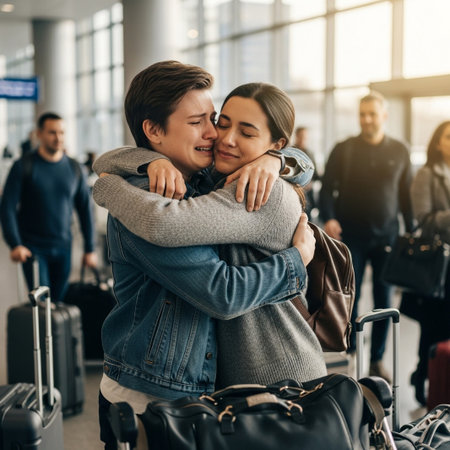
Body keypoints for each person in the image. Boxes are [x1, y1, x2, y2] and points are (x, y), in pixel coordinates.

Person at [92, 61, 320, 449]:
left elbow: (296, 161)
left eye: (215, 120)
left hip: (276, 378)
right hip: (149, 394)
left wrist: (282, 159)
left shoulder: (249, 187)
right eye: (201, 122)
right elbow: (220, 292)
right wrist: (295, 261)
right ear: (153, 130)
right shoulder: (149, 197)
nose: (217, 135)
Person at [319, 91, 414, 382]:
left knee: (384, 300)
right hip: (351, 237)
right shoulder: (344, 149)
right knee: (351, 296)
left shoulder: (399, 150)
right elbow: (326, 189)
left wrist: (410, 232)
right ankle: (351, 353)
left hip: (387, 236)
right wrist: (330, 217)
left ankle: (376, 360)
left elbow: (405, 195)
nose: (367, 120)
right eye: (362, 114)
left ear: (384, 116)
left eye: (372, 114)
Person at [0, 112, 98, 302]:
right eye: (52, 132)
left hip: (63, 247)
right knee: (42, 303)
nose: (58, 138)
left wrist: (90, 248)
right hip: (33, 248)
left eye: (61, 132)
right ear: (39, 134)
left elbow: (86, 210)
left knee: (58, 303)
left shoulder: (74, 168)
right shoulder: (24, 166)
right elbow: (8, 208)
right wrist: (15, 243)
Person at [409, 120, 450, 405]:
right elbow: (423, 219)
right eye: (448, 137)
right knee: (433, 327)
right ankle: (423, 375)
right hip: (438, 266)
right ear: (438, 142)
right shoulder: (427, 175)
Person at [294, 126, 320, 216]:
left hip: (308, 195)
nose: (303, 140)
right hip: (294, 193)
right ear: (296, 136)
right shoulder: (290, 152)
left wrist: (311, 183)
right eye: (300, 136)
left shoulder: (310, 154)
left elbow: (315, 174)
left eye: (305, 137)